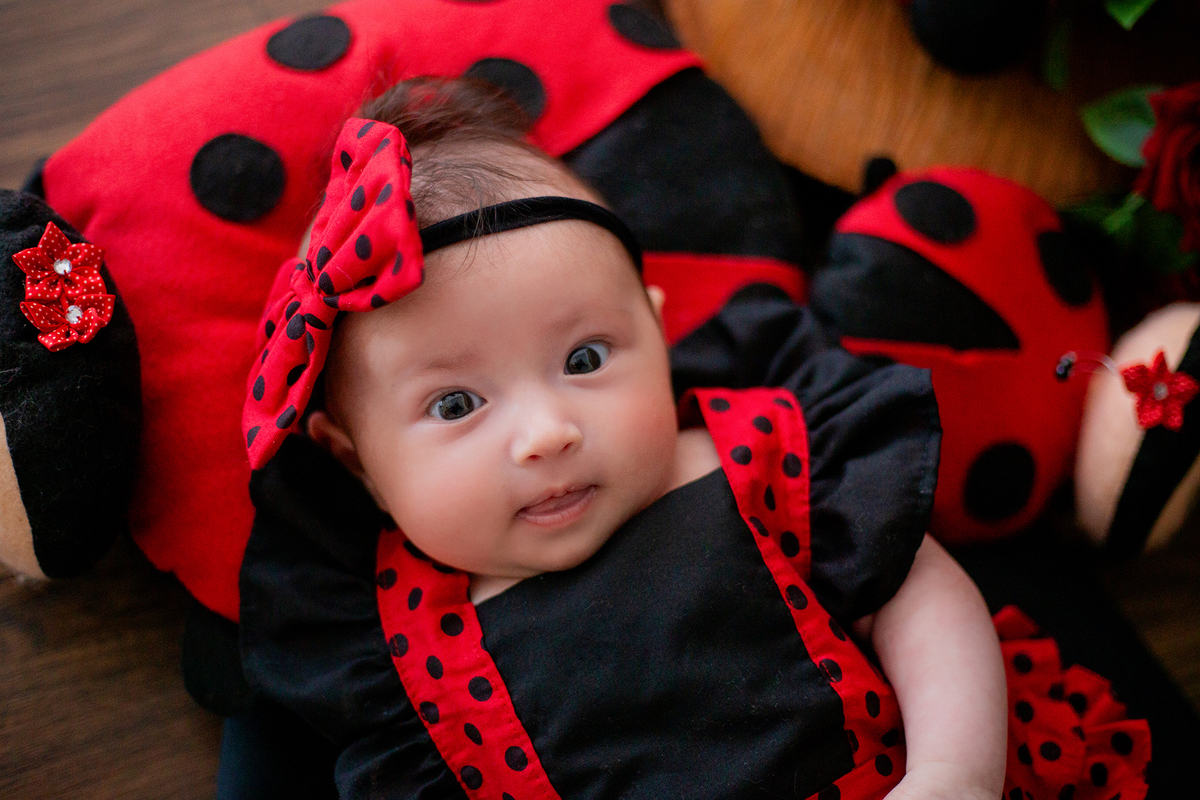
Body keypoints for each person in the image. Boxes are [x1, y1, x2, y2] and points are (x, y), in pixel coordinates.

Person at [238, 78, 1149, 800]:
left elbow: (923, 600)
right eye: (454, 405)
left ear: (661, 332)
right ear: (356, 461)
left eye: (586, 356)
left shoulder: (756, 452)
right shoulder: (394, 657)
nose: (547, 432)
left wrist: (955, 771)